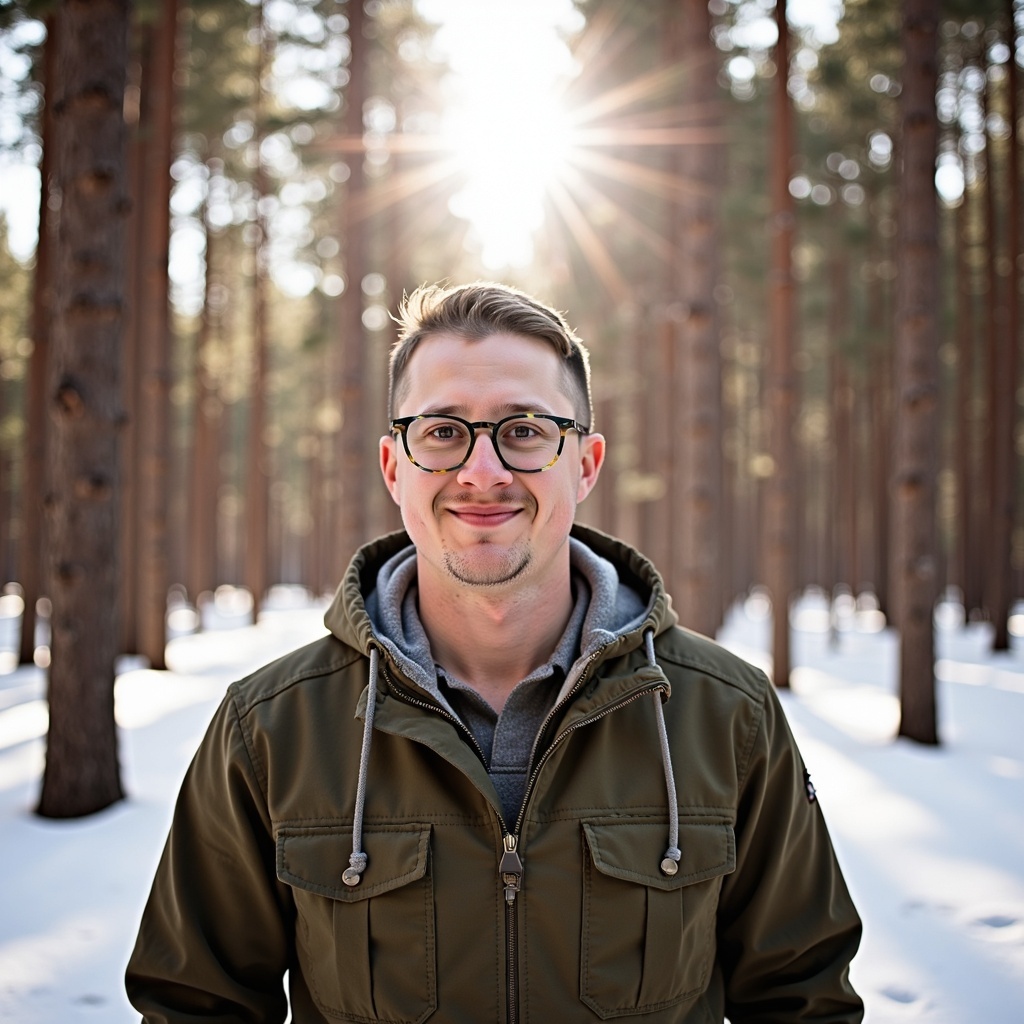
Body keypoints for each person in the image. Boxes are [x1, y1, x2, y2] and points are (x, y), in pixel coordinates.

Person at [126, 282, 863, 1023]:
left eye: (526, 429)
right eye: (443, 432)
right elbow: (197, 1004)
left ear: (585, 463)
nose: (483, 472)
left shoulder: (726, 713)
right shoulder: (271, 728)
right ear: (394, 466)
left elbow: (802, 997)